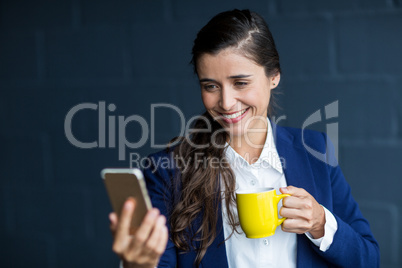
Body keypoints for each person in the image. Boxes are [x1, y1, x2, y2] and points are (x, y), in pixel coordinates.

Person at [109, 9, 380, 268]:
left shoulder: (316, 150)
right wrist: (138, 263)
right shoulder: (166, 170)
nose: (226, 103)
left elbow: (369, 259)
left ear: (273, 77)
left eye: (240, 83)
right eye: (211, 86)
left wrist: (321, 223)